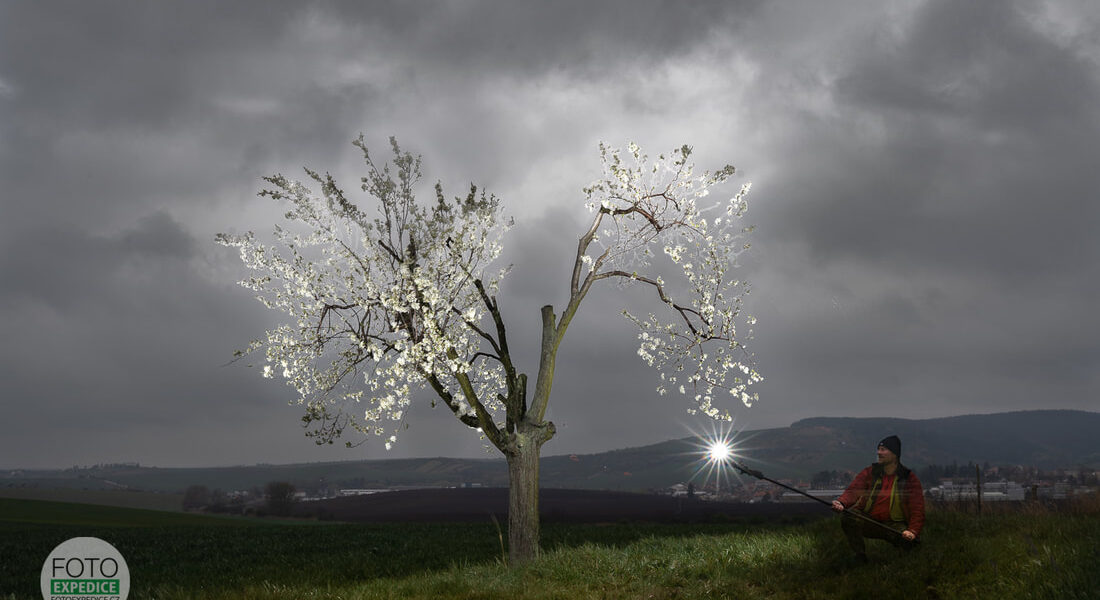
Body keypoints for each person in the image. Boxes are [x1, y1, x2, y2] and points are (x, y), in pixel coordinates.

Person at [831, 435, 924, 561]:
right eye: (879, 449)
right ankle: (860, 556)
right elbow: (854, 490)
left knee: (909, 545)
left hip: (894, 525)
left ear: (894, 454)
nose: (879, 452)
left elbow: (917, 508)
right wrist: (841, 502)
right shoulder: (870, 472)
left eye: (883, 449)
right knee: (849, 517)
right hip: (870, 521)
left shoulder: (909, 478)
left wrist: (912, 531)